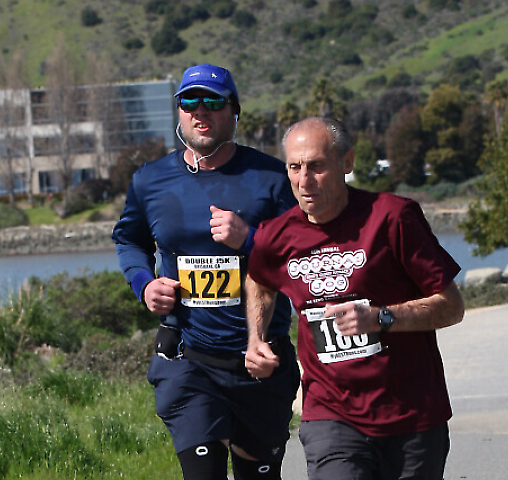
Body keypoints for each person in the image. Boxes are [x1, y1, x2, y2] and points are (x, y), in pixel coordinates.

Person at [244, 116, 465, 480]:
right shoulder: (276, 235)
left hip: (411, 414)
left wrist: (381, 318)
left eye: (316, 166)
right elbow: (259, 281)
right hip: (331, 413)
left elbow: (451, 306)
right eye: (295, 168)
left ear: (346, 162)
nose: (304, 181)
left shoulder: (393, 217)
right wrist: (256, 338)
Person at [112, 64, 300, 480]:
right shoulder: (150, 180)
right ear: (179, 111)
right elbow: (129, 241)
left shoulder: (272, 178)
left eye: (213, 101)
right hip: (188, 360)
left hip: (259, 362)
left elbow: (300, 255)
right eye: (189, 101)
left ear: (234, 111)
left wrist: (249, 239)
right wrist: (144, 285)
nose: (200, 110)